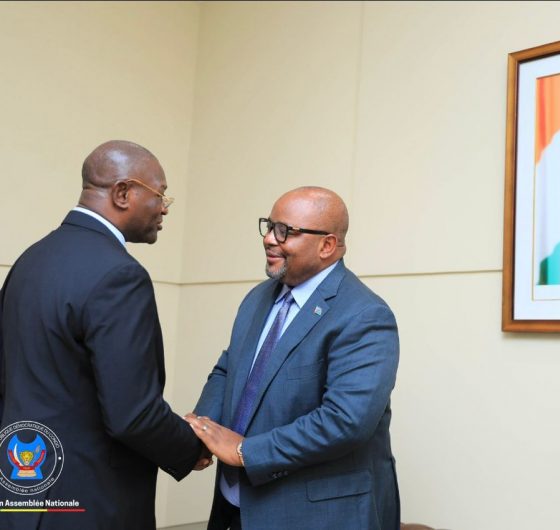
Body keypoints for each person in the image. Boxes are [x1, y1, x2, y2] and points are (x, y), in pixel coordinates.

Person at [0, 140, 203, 530]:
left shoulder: (30, 260)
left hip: (22, 497)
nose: (163, 208)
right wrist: (191, 448)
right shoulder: (119, 275)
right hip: (89, 505)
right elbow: (133, 415)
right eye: (161, 195)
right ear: (123, 193)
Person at [185, 186, 400, 530]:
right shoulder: (257, 298)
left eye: (285, 231)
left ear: (327, 245)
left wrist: (245, 452)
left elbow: (345, 421)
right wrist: (202, 431)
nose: (269, 238)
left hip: (314, 516)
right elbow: (229, 368)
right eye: (270, 226)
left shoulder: (364, 315)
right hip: (235, 507)